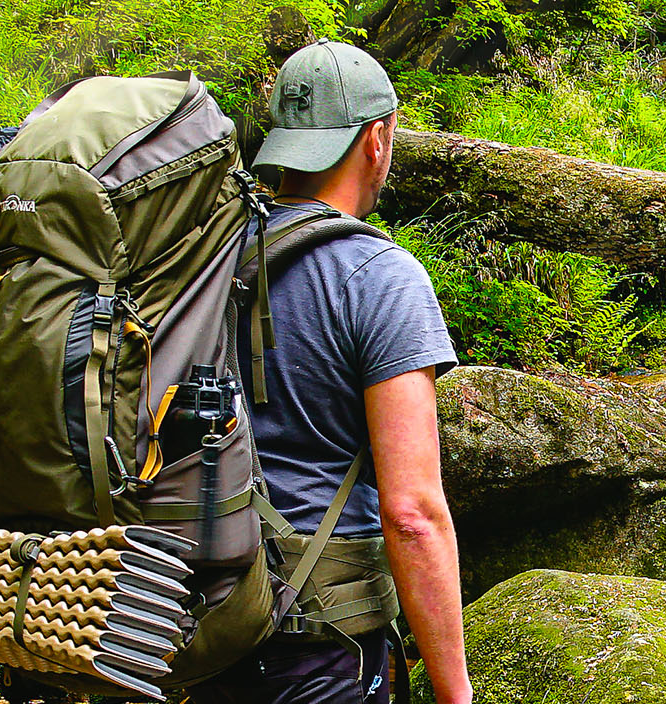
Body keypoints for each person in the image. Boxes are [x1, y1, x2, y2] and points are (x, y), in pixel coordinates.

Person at [186, 40, 471, 704]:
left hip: (204, 625)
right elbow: (412, 514)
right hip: (322, 643)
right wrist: (455, 693)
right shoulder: (381, 277)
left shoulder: (204, 259)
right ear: (376, 140)